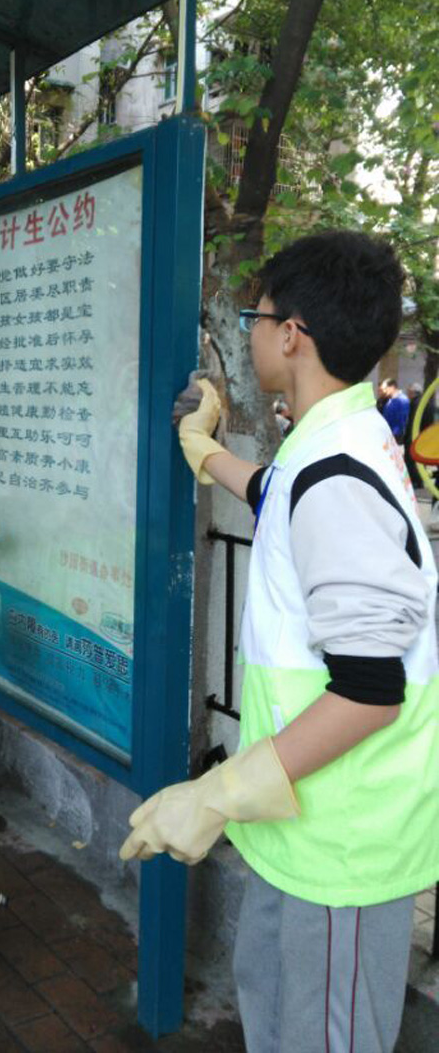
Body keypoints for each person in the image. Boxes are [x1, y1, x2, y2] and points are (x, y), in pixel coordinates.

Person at [120, 231, 438, 1053]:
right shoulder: (333, 444)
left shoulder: (337, 474)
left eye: (254, 318)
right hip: (297, 821)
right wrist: (203, 451)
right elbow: (277, 491)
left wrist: (216, 793)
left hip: (344, 840)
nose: (252, 332)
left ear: (291, 333)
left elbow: (370, 690)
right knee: (275, 1004)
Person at [379, 377, 410, 444]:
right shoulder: (390, 400)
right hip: (387, 434)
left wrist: (395, 434)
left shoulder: (402, 400)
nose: (384, 391)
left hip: (395, 436)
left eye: (385, 388)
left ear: (392, 387)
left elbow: (402, 420)